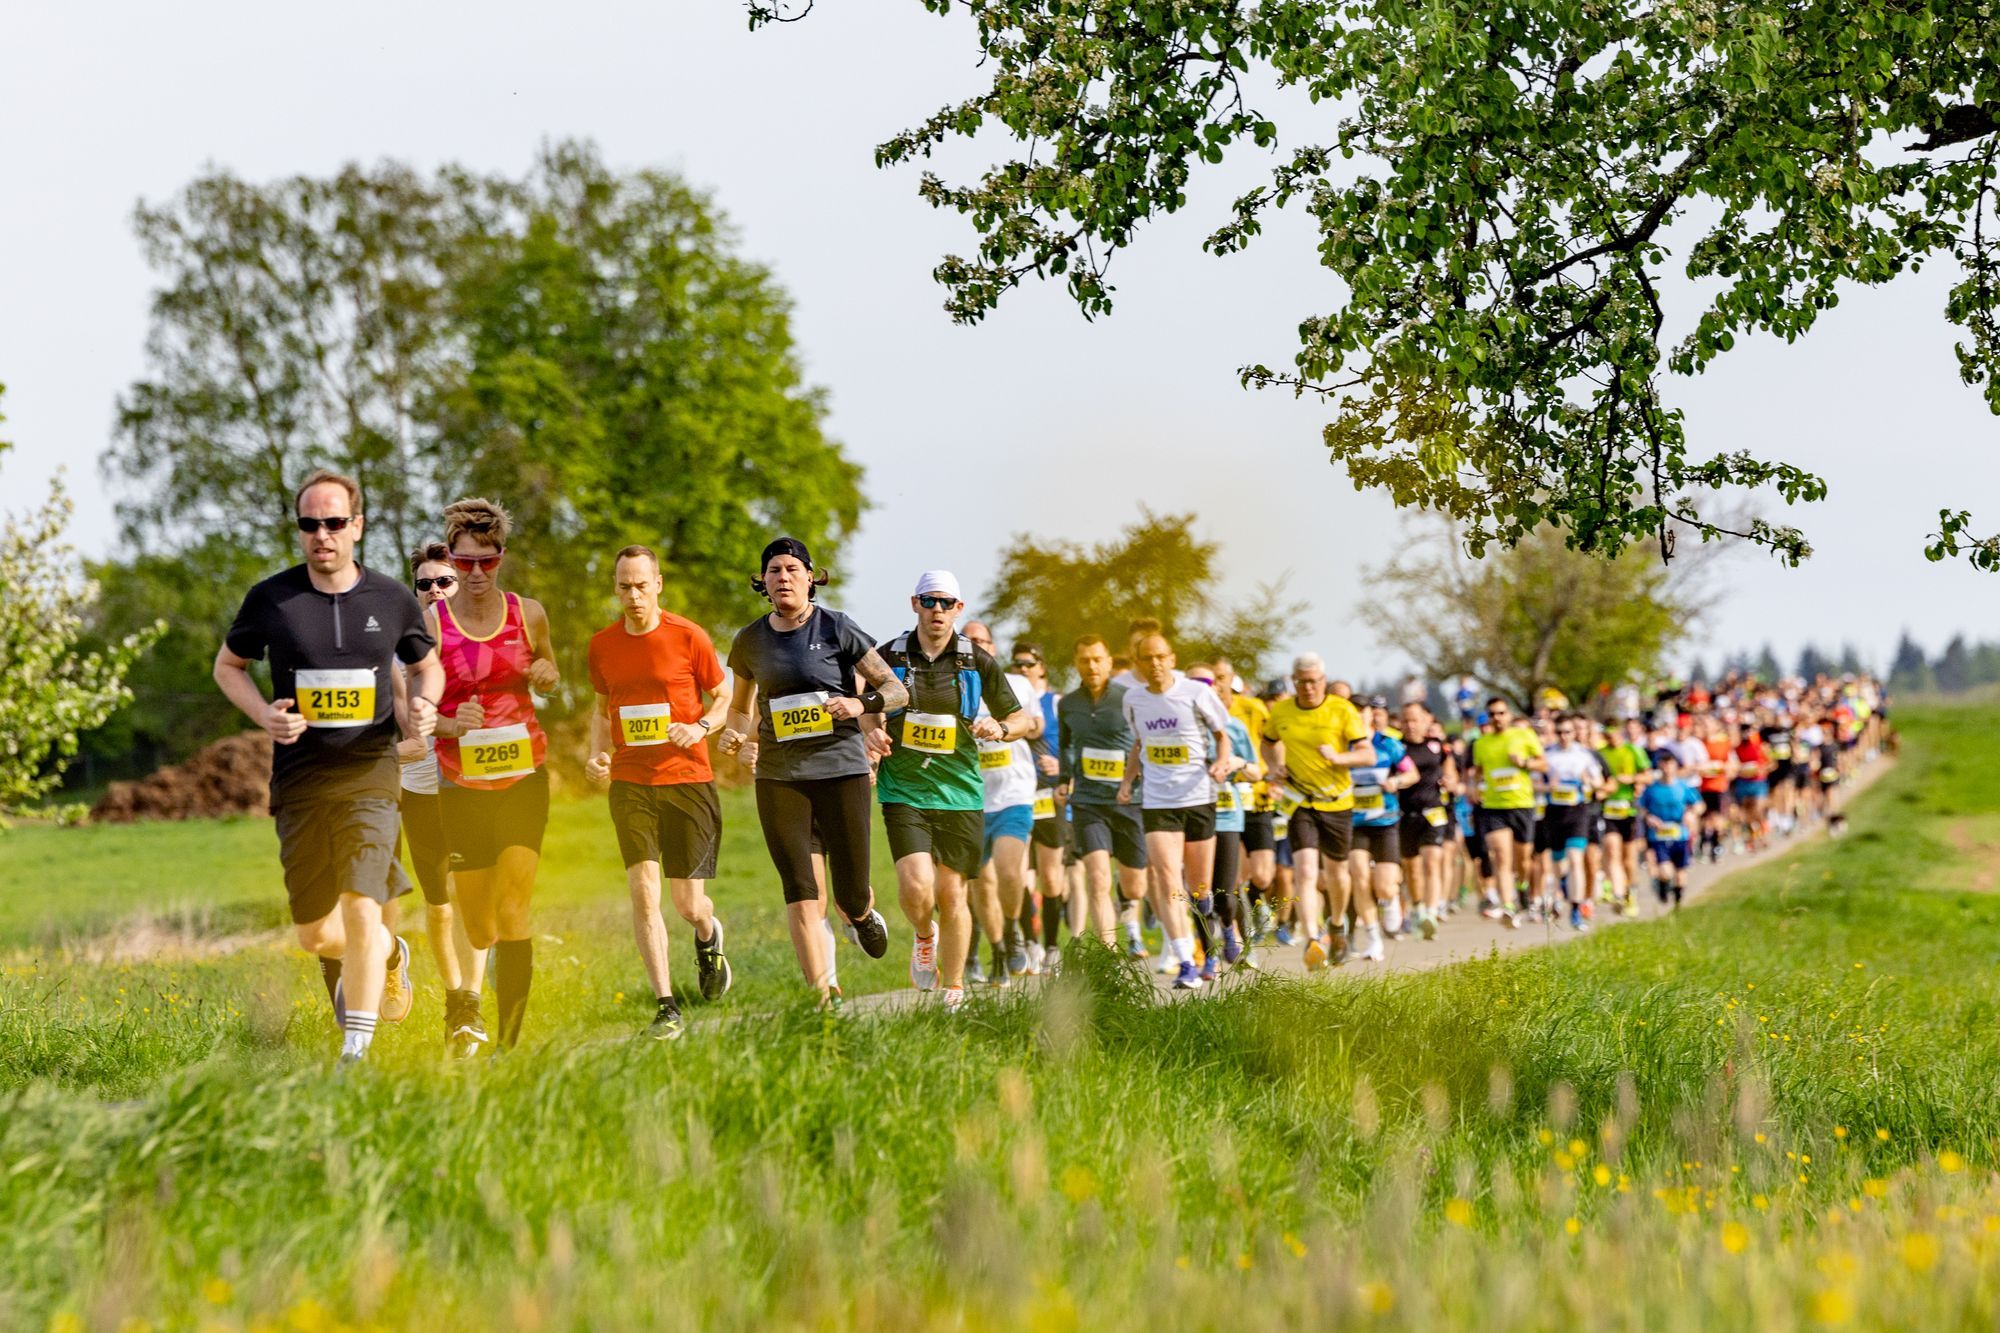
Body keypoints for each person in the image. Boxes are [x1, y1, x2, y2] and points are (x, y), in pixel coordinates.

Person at [213, 469, 441, 1065]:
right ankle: (391, 954)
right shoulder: (272, 599)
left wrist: (426, 700)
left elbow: (427, 665)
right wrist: (265, 714)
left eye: (335, 522)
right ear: (300, 531)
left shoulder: (390, 598)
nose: (322, 534)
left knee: (363, 904)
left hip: (370, 774)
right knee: (316, 933)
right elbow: (227, 667)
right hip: (301, 782)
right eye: (310, 524)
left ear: (357, 527)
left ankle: (355, 1051)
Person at [718, 538, 900, 1008]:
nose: (783, 577)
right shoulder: (750, 640)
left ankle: (859, 913)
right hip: (780, 775)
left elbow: (895, 691)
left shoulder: (838, 627)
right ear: (763, 581)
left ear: (810, 577)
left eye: (793, 569)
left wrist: (859, 703)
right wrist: (735, 737)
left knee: (848, 891)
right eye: (774, 570)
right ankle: (823, 996)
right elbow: (739, 710)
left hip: (842, 769)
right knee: (801, 889)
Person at [584, 545, 734, 1041]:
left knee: (689, 904)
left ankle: (708, 936)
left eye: (641, 585)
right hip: (630, 784)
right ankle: (666, 1006)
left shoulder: (687, 635)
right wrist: (596, 754)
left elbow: (724, 693)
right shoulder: (602, 645)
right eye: (624, 585)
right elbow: (600, 709)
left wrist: (703, 727)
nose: (632, 595)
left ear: (658, 583)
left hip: (687, 781)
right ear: (615, 587)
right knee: (644, 895)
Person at [429, 498, 560, 1049]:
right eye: (464, 563)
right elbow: (415, 712)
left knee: (514, 908)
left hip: (524, 775)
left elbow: (548, 671)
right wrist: (451, 724)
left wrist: (548, 675)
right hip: (461, 785)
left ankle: (509, 1044)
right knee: (480, 926)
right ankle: (487, 1016)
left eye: (487, 562)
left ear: (501, 557)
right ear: (451, 561)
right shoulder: (431, 623)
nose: (476, 574)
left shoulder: (527, 613)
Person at [866, 574, 1027, 1012]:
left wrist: (1001, 727)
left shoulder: (976, 661)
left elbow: (1022, 719)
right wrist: (871, 732)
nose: (938, 610)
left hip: (960, 794)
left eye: (947, 602)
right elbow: (862, 699)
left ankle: (953, 989)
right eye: (930, 601)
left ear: (959, 608)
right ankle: (923, 935)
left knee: (953, 894)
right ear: (915, 603)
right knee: (917, 887)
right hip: (905, 790)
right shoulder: (888, 655)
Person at [396, 542, 488, 1056]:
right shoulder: (397, 654)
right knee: (439, 907)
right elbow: (390, 728)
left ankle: (470, 1005)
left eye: (443, 581)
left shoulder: (478, 647)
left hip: (470, 790)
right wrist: (397, 752)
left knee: (472, 899)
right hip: (418, 792)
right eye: (425, 584)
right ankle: (455, 999)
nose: (434, 590)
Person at [1118, 635, 1234, 990]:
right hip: (1157, 799)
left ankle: (1208, 946)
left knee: (1199, 889)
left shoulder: (1196, 693)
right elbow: (1139, 743)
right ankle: (1185, 960)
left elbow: (1221, 734)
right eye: (1147, 658)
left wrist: (1223, 760)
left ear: (1172, 659)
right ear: (1137, 663)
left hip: (1198, 796)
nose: (1154, 664)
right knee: (1167, 877)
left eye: (1161, 657)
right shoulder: (1133, 699)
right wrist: (1127, 782)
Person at [1260, 653, 1374, 969]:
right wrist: (1274, 766)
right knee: (1305, 871)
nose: (1308, 688)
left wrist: (1339, 758)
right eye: (1301, 682)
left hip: (1337, 801)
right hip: (1300, 801)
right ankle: (1312, 939)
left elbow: (1367, 754)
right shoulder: (1282, 711)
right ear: (1293, 681)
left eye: (1313, 681)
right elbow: (1267, 742)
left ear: (1323, 681)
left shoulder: (1342, 709)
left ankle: (1337, 923)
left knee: (1337, 874)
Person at [1058, 636, 1152, 952]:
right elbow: (1066, 746)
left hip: (1129, 800)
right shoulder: (1067, 703)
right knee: (1097, 879)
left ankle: (1133, 911)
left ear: (1110, 662)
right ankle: (1108, 957)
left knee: (1135, 886)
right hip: (1088, 801)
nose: (1092, 666)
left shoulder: (1131, 698)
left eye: (1098, 659)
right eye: (1085, 660)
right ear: (1077, 664)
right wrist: (1063, 779)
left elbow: (1146, 743)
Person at [963, 620, 1045, 983]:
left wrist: (1007, 726)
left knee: (1012, 871)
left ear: (993, 649)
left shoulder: (1018, 684)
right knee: (981, 884)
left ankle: (1013, 929)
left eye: (983, 641)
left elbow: (1035, 724)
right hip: (969, 796)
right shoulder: (953, 685)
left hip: (1014, 793)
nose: (977, 646)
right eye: (969, 641)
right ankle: (997, 949)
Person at [1188, 664, 1257, 974]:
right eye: (1193, 681)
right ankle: (1209, 954)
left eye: (1209, 681)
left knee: (1225, 893)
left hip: (1227, 815)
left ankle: (1229, 927)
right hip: (1189, 813)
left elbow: (1257, 772)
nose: (1203, 686)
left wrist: (1238, 762)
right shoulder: (1179, 726)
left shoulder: (1235, 727)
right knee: (1198, 891)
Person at [1010, 642, 1069, 968]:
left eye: (1028, 663)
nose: (1022, 669)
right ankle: (1028, 941)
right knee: (1016, 873)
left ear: (1041, 666)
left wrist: (1061, 768)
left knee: (1051, 877)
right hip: (1017, 793)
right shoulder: (1007, 699)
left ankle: (1051, 946)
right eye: (1016, 664)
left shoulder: (1055, 702)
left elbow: (1071, 744)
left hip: (1049, 794)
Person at [1465, 697, 1546, 927]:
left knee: (1523, 859)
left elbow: (1543, 764)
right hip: (1493, 807)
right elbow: (1478, 770)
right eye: (1492, 714)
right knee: (1500, 855)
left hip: (1521, 804)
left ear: (1508, 715)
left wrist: (1525, 763)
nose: (1497, 718)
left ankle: (1522, 886)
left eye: (1501, 713)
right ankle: (1508, 905)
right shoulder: (1482, 743)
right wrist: (1472, 786)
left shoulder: (1523, 735)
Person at [1346, 699, 1416, 961]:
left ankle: (1390, 899)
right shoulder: (1343, 746)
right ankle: (1373, 939)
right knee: (1359, 877)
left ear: (1371, 716)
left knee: (1385, 886)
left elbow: (1412, 774)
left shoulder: (1389, 745)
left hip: (1385, 822)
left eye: (1363, 713)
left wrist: (1396, 780)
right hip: (1354, 824)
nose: (1359, 718)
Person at [1395, 700, 1457, 940]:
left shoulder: (1438, 747)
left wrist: (1450, 780)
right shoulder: (1396, 748)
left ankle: (1431, 912)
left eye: (1415, 720)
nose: (1411, 725)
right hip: (1404, 814)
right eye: (1406, 720)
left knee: (1432, 861)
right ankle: (1418, 907)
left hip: (1433, 811)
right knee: (1411, 868)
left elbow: (1450, 771)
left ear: (1426, 721)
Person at [1540, 715, 1607, 930]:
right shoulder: (1547, 755)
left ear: (1573, 733)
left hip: (1578, 812)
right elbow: (1533, 783)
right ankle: (1563, 884)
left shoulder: (1584, 755)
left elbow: (1600, 782)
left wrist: (1589, 781)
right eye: (1559, 732)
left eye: (1567, 732)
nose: (1563, 736)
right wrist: (1548, 787)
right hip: (1554, 813)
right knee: (1560, 863)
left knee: (1576, 858)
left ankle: (1576, 910)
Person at [1597, 717, 1655, 918]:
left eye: (1614, 733)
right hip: (1608, 809)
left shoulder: (1633, 750)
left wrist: (1632, 779)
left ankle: (1631, 893)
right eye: (1607, 733)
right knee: (1612, 850)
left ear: (1620, 732)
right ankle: (1618, 894)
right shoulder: (1601, 753)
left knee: (1629, 858)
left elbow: (1648, 776)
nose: (1610, 737)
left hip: (1628, 809)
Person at [1639, 753, 1703, 908]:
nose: (1667, 768)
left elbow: (1699, 805)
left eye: (1670, 764)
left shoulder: (1683, 787)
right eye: (1664, 764)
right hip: (1659, 835)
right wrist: (1648, 817)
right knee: (1665, 871)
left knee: (1681, 874)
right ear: (1659, 766)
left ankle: (1678, 903)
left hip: (1681, 834)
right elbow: (1641, 808)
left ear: (1676, 766)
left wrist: (1691, 813)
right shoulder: (1651, 789)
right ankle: (1662, 885)